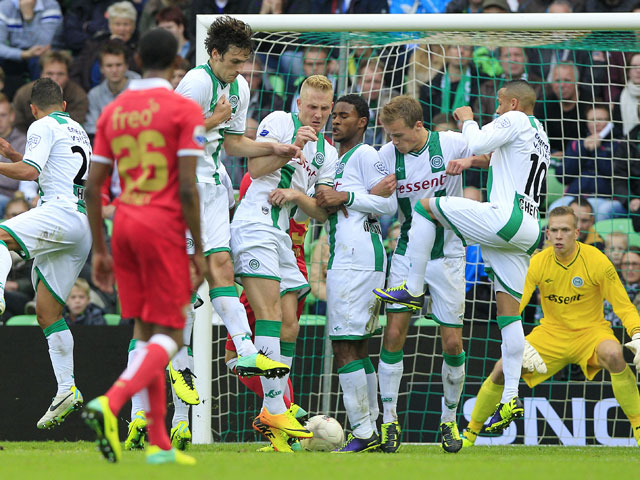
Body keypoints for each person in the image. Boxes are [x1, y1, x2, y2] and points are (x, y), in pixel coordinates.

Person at [375, 80, 550, 435]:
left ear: (513, 103)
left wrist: (468, 118)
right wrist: (472, 160)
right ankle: (511, 398)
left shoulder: (515, 119)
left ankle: (410, 289)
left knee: (426, 207)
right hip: (529, 227)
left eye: (499, 106)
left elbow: (476, 139)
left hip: (505, 217)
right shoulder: (540, 133)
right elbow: (491, 156)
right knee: (509, 316)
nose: (497, 111)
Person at [82, 28, 207, 466]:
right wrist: (199, 250)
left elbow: (93, 187)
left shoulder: (115, 109)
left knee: (144, 330)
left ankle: (160, 444)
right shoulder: (183, 109)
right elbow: (188, 187)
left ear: (136, 57)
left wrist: (100, 249)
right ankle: (112, 401)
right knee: (174, 332)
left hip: (125, 224)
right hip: (162, 225)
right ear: (178, 60)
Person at [174, 15, 297, 386]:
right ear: (213, 53)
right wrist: (211, 120)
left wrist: (271, 147)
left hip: (211, 186)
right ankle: (173, 372)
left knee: (222, 266)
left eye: (244, 61)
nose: (239, 69)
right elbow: (167, 135)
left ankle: (245, 350)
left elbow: (232, 143)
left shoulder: (239, 86)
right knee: (186, 285)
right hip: (181, 188)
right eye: (233, 61)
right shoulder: (195, 83)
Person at [461, 207, 640, 448]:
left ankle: (638, 429)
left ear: (577, 232)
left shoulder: (597, 260)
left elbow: (624, 306)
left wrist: (637, 334)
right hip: (550, 335)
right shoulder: (538, 262)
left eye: (565, 230)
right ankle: (470, 434)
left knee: (615, 354)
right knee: (502, 369)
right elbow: (516, 305)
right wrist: (515, 340)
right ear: (547, 234)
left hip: (591, 333)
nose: (559, 236)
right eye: (554, 230)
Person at [229, 74, 339, 452]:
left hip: (285, 237)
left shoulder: (329, 152)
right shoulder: (278, 121)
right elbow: (255, 171)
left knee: (289, 324)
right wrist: (290, 148)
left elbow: (321, 214)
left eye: (325, 109)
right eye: (312, 107)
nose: (319, 114)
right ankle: (277, 411)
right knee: (271, 315)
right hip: (255, 223)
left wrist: (296, 193)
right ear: (299, 103)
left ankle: (277, 418)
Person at [371, 95, 476, 454]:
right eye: (389, 136)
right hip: (406, 253)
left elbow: (492, 156)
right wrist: (375, 191)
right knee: (394, 334)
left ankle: (449, 421)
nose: (393, 142)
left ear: (419, 127)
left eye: (399, 136)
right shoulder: (386, 156)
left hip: (449, 255)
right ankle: (388, 421)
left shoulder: (449, 142)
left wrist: (471, 157)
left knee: (452, 344)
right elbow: (369, 195)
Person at [0, 77, 92, 429]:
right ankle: (67, 389)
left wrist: (11, 164)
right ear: (64, 105)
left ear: (33, 109)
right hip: (80, 224)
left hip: (59, 211)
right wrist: (13, 156)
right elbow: (50, 171)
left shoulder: (40, 125)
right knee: (47, 312)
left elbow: (29, 172)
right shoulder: (78, 129)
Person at [313, 94, 397, 452]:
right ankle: (372, 426)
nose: (335, 121)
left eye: (344, 116)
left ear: (362, 122)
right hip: (353, 257)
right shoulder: (338, 159)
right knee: (357, 346)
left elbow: (389, 203)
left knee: (344, 345)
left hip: (357, 259)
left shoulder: (364, 155)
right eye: (334, 116)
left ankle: (363, 432)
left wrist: (346, 197)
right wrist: (350, 196)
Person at [13, 50, 88, 134]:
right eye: (50, 73)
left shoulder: (78, 95)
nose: (55, 78)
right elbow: (18, 126)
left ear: (68, 76)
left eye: (60, 74)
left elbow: (74, 127)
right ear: (41, 74)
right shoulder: (24, 93)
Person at [0, 0, 62, 98]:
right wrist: (23, 54)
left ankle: (42, 100)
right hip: (17, 53)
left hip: (43, 53)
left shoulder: (50, 5)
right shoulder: (5, 6)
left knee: (39, 61)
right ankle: (6, 103)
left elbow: (43, 43)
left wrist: (28, 17)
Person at [84, 40, 141, 138]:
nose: (114, 70)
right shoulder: (94, 95)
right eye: (109, 66)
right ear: (101, 68)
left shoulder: (139, 87)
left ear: (126, 66)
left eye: (118, 65)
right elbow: (91, 127)